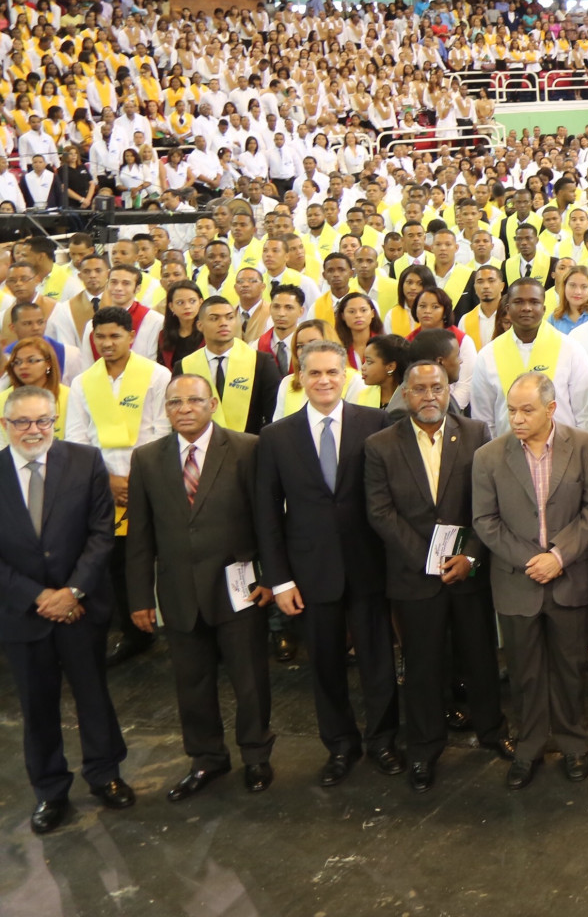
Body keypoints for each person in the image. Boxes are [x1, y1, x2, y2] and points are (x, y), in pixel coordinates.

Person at [255, 338, 402, 786]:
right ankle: (339, 745)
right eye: (314, 373)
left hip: (368, 565)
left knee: (378, 661)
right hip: (310, 571)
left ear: (346, 376)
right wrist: (279, 580)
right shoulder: (276, 436)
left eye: (332, 372)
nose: (324, 380)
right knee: (324, 665)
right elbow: (266, 513)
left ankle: (383, 741)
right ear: (300, 377)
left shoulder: (375, 423)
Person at [125, 374, 276, 801]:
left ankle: (256, 754)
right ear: (165, 409)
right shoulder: (147, 459)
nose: (184, 409)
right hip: (178, 592)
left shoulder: (247, 448)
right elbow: (140, 536)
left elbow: (268, 519)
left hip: (239, 588)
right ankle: (206, 758)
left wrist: (269, 576)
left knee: (250, 678)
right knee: (191, 683)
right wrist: (140, 598)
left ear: (213, 403)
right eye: (175, 402)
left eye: (194, 400)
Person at [363, 358, 511, 794]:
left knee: (480, 657)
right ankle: (424, 749)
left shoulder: (476, 433)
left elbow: (489, 504)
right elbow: (380, 512)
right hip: (414, 576)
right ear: (405, 394)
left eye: (438, 388)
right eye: (420, 389)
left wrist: (470, 557)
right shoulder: (380, 445)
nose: (430, 396)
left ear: (449, 391)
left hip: (467, 571)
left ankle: (492, 730)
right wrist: (429, 559)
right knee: (423, 666)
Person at [0, 384, 130, 834]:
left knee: (93, 695)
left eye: (43, 421)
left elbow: (101, 534)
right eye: (22, 422)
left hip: (80, 607)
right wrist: (38, 597)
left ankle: (106, 774)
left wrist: (72, 592)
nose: (33, 430)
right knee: (36, 706)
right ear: (5, 425)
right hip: (22, 613)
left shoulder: (86, 461)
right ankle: (50, 791)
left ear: (54, 421)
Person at [474, 373, 588, 789]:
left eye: (526, 410)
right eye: (511, 410)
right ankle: (528, 747)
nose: (516, 418)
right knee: (524, 673)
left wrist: (558, 556)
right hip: (518, 581)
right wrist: (533, 560)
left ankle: (574, 744)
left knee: (570, 669)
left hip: (571, 578)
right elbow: (485, 521)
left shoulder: (584, 447)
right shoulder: (488, 457)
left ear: (550, 409)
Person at [64, 305, 171, 665]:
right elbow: (77, 438)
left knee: (164, 556)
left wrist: (136, 478)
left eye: (115, 336)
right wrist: (108, 479)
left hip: (150, 480)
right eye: (100, 336)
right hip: (104, 487)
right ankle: (134, 632)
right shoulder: (83, 382)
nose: (107, 343)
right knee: (120, 563)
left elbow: (162, 429)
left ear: (131, 336)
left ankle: (178, 624)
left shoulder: (156, 375)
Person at [471, 279, 588, 436]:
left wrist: (580, 448)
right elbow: (483, 419)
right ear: (508, 308)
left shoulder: (571, 350)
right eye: (519, 302)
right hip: (508, 448)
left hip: (562, 447)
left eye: (534, 302)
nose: (527, 308)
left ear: (543, 309)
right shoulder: (488, 355)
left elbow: (585, 413)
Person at [178, 295, 284, 434]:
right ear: (200, 326)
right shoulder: (185, 366)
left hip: (250, 442)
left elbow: (273, 415)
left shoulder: (260, 361)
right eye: (214, 318)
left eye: (229, 317)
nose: (223, 323)